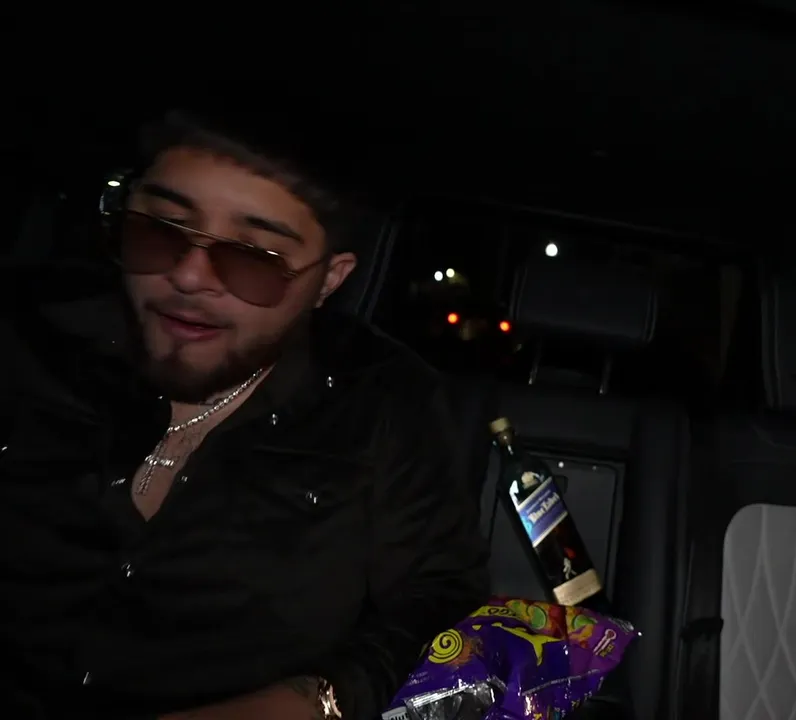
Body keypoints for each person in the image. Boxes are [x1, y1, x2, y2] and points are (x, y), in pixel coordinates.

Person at [0, 110, 490, 719]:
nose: (187, 275)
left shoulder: (384, 403)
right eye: (161, 230)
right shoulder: (30, 341)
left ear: (328, 281)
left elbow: (442, 613)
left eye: (255, 257)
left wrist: (309, 703)